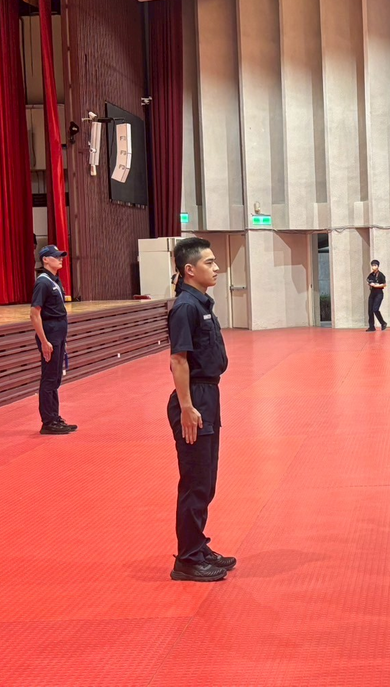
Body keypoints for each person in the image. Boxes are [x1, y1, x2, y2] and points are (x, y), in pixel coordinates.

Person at [167, 237, 235, 583]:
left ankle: (197, 544)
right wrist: (187, 407)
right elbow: (178, 360)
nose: (216, 268)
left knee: (206, 480)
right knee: (195, 481)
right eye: (209, 263)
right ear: (190, 270)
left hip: (208, 395)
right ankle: (188, 559)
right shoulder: (186, 307)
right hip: (194, 399)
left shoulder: (201, 303)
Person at [30, 245, 77, 435]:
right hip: (50, 334)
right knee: (49, 378)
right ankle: (48, 421)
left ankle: (55, 417)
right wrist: (44, 341)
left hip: (58, 334)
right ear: (45, 260)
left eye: (61, 256)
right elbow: (34, 314)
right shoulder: (43, 282)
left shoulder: (54, 280)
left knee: (56, 377)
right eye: (56, 256)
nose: (60, 259)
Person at [366, 260, 387, 332]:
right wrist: (370, 284)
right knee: (370, 310)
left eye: (375, 265)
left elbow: (384, 284)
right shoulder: (371, 275)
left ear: (378, 266)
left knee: (375, 309)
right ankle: (371, 326)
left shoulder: (381, 275)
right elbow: (368, 281)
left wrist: (376, 285)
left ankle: (383, 323)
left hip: (379, 293)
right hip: (372, 293)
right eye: (372, 265)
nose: (373, 267)